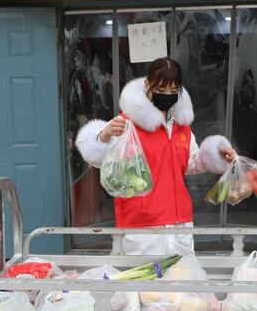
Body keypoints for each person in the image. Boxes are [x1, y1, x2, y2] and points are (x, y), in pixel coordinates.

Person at [75, 57, 236, 256]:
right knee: (146, 286)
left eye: (173, 91)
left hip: (180, 224)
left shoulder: (182, 127)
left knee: (182, 281)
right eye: (161, 90)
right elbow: (100, 160)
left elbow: (189, 163)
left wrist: (216, 154)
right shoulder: (128, 124)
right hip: (143, 226)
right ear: (147, 85)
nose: (167, 96)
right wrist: (103, 135)